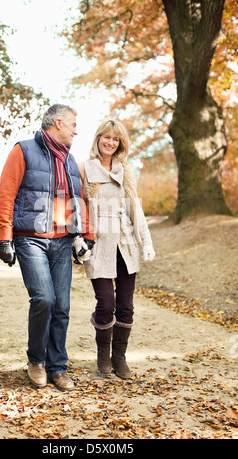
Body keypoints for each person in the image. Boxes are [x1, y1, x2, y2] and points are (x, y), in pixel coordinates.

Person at [0, 104, 94, 391]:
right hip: (30, 239)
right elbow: (6, 193)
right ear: (59, 122)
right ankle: (36, 361)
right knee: (44, 300)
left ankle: (57, 367)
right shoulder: (23, 150)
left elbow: (78, 199)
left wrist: (85, 234)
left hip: (62, 241)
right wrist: (5, 237)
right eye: (73, 124)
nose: (76, 130)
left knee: (62, 306)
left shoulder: (70, 159)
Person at [78, 119, 155, 379]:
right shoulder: (84, 169)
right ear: (97, 139)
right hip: (98, 243)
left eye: (115, 139)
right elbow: (74, 205)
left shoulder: (125, 170)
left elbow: (135, 206)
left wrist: (147, 242)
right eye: (106, 137)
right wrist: (78, 239)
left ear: (121, 143)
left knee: (125, 305)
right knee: (105, 302)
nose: (110, 142)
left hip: (126, 243)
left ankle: (119, 356)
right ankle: (103, 352)